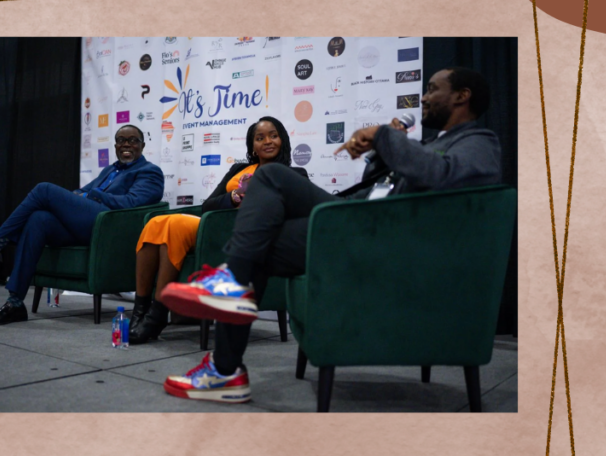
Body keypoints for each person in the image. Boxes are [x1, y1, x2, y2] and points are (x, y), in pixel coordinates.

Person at [158, 66, 504, 403]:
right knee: (257, 244)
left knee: (271, 176)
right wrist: (383, 154)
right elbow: (386, 186)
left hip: (382, 238)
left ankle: (229, 290)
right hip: (360, 223)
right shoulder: (434, 143)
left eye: (432, 89)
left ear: (462, 96)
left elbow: (440, 177)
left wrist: (385, 136)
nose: (424, 97)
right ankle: (224, 370)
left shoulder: (479, 141)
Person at [0, 125, 163, 326]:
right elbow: (79, 192)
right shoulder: (110, 170)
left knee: (44, 189)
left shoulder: (149, 172)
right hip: (89, 223)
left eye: (133, 140)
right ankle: (15, 303)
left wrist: (94, 195)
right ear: (115, 145)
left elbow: (132, 203)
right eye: (121, 140)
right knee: (39, 218)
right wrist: (84, 195)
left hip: (108, 228)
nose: (126, 144)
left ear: (142, 145)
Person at [129, 116, 307, 344]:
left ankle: (156, 316)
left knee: (172, 224)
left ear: (282, 139)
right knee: (156, 223)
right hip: (216, 229)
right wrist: (234, 197)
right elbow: (208, 205)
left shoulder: (295, 174)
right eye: (260, 138)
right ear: (253, 146)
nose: (267, 141)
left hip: (247, 235)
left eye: (273, 135)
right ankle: (140, 312)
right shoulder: (239, 169)